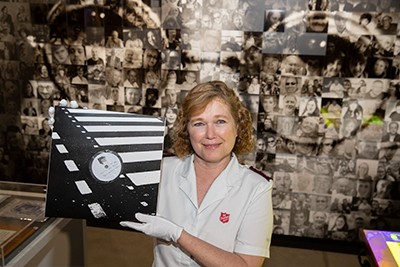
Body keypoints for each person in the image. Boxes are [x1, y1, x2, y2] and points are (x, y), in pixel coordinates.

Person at [120, 81, 273, 266]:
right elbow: (108, 171)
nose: (210, 134)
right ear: (187, 130)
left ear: (238, 127)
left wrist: (178, 235)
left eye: (220, 121)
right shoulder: (162, 169)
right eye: (199, 123)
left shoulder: (256, 188)